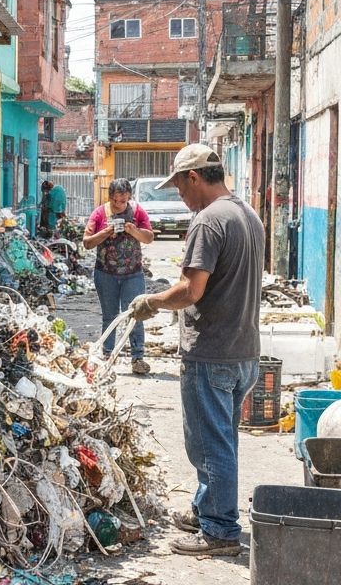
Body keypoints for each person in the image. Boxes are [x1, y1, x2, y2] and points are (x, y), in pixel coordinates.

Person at [128, 144, 263, 557]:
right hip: (244, 352)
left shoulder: (208, 221)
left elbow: (191, 290)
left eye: (179, 187)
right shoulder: (248, 214)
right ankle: (209, 508)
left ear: (194, 178)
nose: (179, 197)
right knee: (221, 439)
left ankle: (219, 531)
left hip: (212, 353)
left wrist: (152, 301)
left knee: (209, 443)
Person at [83, 178, 155, 375]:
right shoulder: (100, 213)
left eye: (124, 201)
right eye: (116, 201)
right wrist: (106, 232)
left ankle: (138, 357)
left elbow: (149, 238)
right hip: (106, 273)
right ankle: (108, 355)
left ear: (129, 197)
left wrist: (134, 230)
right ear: (110, 198)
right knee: (110, 315)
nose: (120, 205)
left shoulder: (137, 211)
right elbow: (87, 242)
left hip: (133, 273)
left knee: (136, 314)